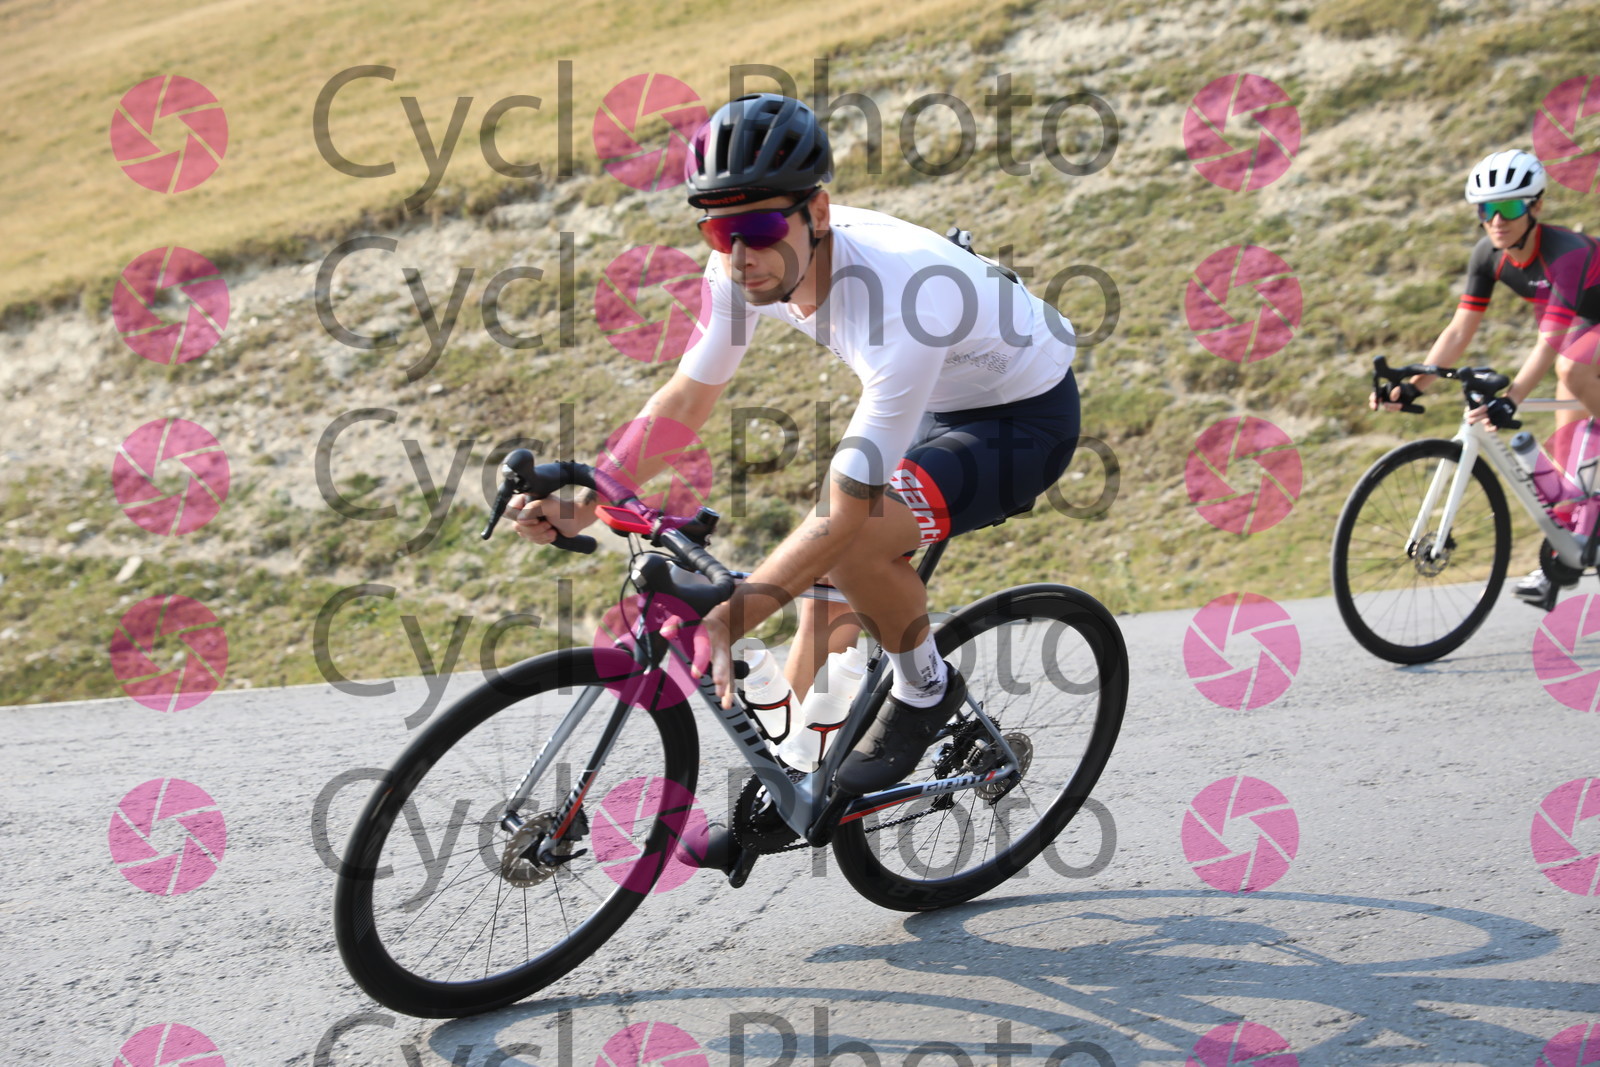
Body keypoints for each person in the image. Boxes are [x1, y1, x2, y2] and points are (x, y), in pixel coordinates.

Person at [511, 92, 1080, 801]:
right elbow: (687, 399)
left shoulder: (902, 298)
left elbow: (847, 511)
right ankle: (796, 781)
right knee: (821, 586)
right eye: (719, 231)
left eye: (757, 227)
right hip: (935, 393)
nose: (740, 254)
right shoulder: (741, 265)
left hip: (1022, 418)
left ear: (818, 212)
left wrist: (730, 619)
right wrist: (589, 500)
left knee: (852, 540)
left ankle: (926, 690)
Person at [1374, 149, 1600, 607]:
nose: (1497, 220)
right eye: (1486, 209)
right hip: (1585, 329)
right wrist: (1412, 385)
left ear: (1536, 206)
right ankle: (1564, 562)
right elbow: (1459, 331)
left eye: (1510, 207)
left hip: (1575, 337)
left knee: (1571, 367)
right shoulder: (1488, 255)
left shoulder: (1567, 254)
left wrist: (1511, 399)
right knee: (1566, 469)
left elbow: (1550, 342)